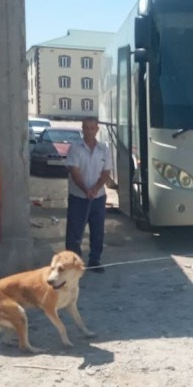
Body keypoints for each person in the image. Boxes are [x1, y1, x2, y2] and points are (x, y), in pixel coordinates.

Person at [65, 117, 113, 273]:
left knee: (97, 230)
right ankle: (72, 264)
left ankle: (95, 260)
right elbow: (75, 172)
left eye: (92, 128)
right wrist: (86, 190)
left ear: (97, 130)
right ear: (82, 129)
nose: (89, 131)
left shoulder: (104, 150)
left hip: (98, 198)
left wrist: (95, 189)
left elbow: (106, 173)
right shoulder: (75, 149)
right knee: (75, 232)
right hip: (78, 197)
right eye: (86, 128)